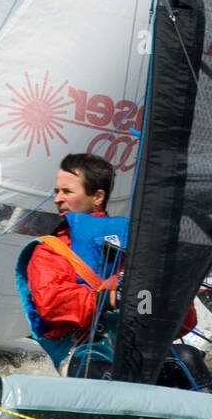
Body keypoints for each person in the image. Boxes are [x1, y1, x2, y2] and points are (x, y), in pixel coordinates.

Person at [16, 152, 200, 379]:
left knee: (188, 359)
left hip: (140, 348)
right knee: (97, 371)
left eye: (67, 191)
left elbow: (185, 322)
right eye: (56, 192)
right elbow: (51, 302)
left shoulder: (139, 244)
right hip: (85, 353)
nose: (57, 199)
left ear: (97, 197)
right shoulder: (49, 250)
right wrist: (106, 298)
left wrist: (170, 296)